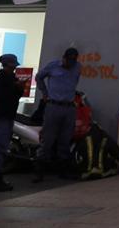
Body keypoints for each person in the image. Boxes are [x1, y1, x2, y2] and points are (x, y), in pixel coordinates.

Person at [33, 47, 81, 182]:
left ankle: (63, 170)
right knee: (48, 139)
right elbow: (39, 77)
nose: (70, 64)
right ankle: (39, 170)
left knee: (65, 139)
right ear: (64, 58)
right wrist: (45, 93)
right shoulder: (53, 66)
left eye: (73, 61)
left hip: (69, 107)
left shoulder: (77, 67)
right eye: (68, 61)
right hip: (54, 105)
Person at [0, 53, 22, 192]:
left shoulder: (12, 78)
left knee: (2, 147)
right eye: (12, 65)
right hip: (1, 117)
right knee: (0, 147)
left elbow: (14, 96)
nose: (14, 68)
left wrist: (18, 89)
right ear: (6, 65)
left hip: (7, 116)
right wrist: (15, 88)